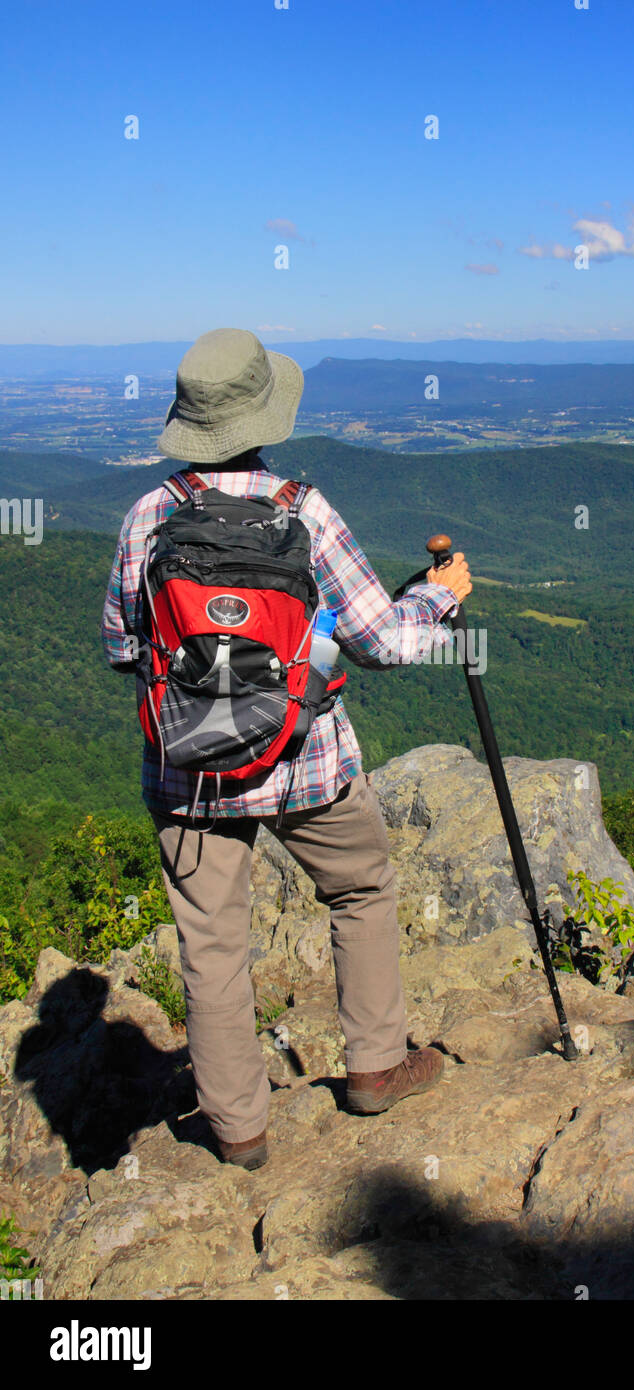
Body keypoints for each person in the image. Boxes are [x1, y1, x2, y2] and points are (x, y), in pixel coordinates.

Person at [101, 327, 472, 1170]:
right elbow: (382, 640)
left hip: (189, 774)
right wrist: (439, 600)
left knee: (212, 947)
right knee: (362, 889)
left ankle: (238, 1132)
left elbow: (124, 647)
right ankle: (376, 1066)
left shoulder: (147, 517)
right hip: (305, 759)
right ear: (266, 415)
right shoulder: (302, 510)